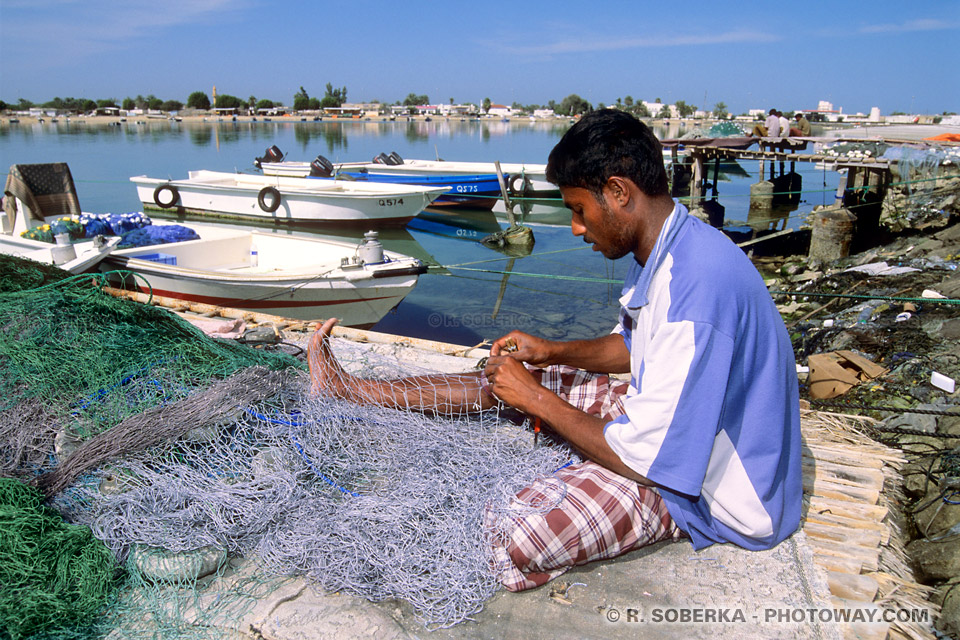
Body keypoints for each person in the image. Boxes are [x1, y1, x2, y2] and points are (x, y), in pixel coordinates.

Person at [308, 109, 802, 592]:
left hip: (711, 490)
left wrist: (538, 401)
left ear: (618, 193)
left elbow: (647, 460)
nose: (575, 228)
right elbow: (635, 347)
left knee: (515, 529)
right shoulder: (668, 244)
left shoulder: (694, 287)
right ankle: (348, 388)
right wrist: (553, 352)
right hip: (682, 433)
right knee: (503, 378)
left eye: (578, 210)